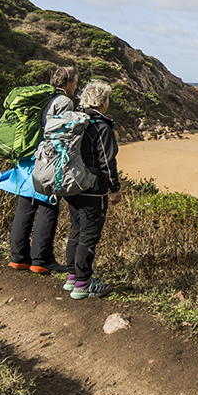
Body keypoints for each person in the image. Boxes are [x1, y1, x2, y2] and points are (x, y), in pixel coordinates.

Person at [5, 65, 78, 274]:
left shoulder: (41, 97)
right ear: (67, 83)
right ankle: (41, 259)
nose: (76, 86)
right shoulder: (64, 101)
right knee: (48, 207)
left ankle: (18, 257)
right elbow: (61, 134)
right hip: (46, 160)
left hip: (28, 157)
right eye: (75, 82)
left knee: (25, 205)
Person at [62, 80, 121, 299]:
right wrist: (115, 188)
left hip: (71, 185)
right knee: (89, 236)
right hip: (92, 189)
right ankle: (83, 283)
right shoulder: (101, 126)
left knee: (76, 231)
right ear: (103, 101)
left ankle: (72, 277)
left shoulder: (76, 121)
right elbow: (107, 161)